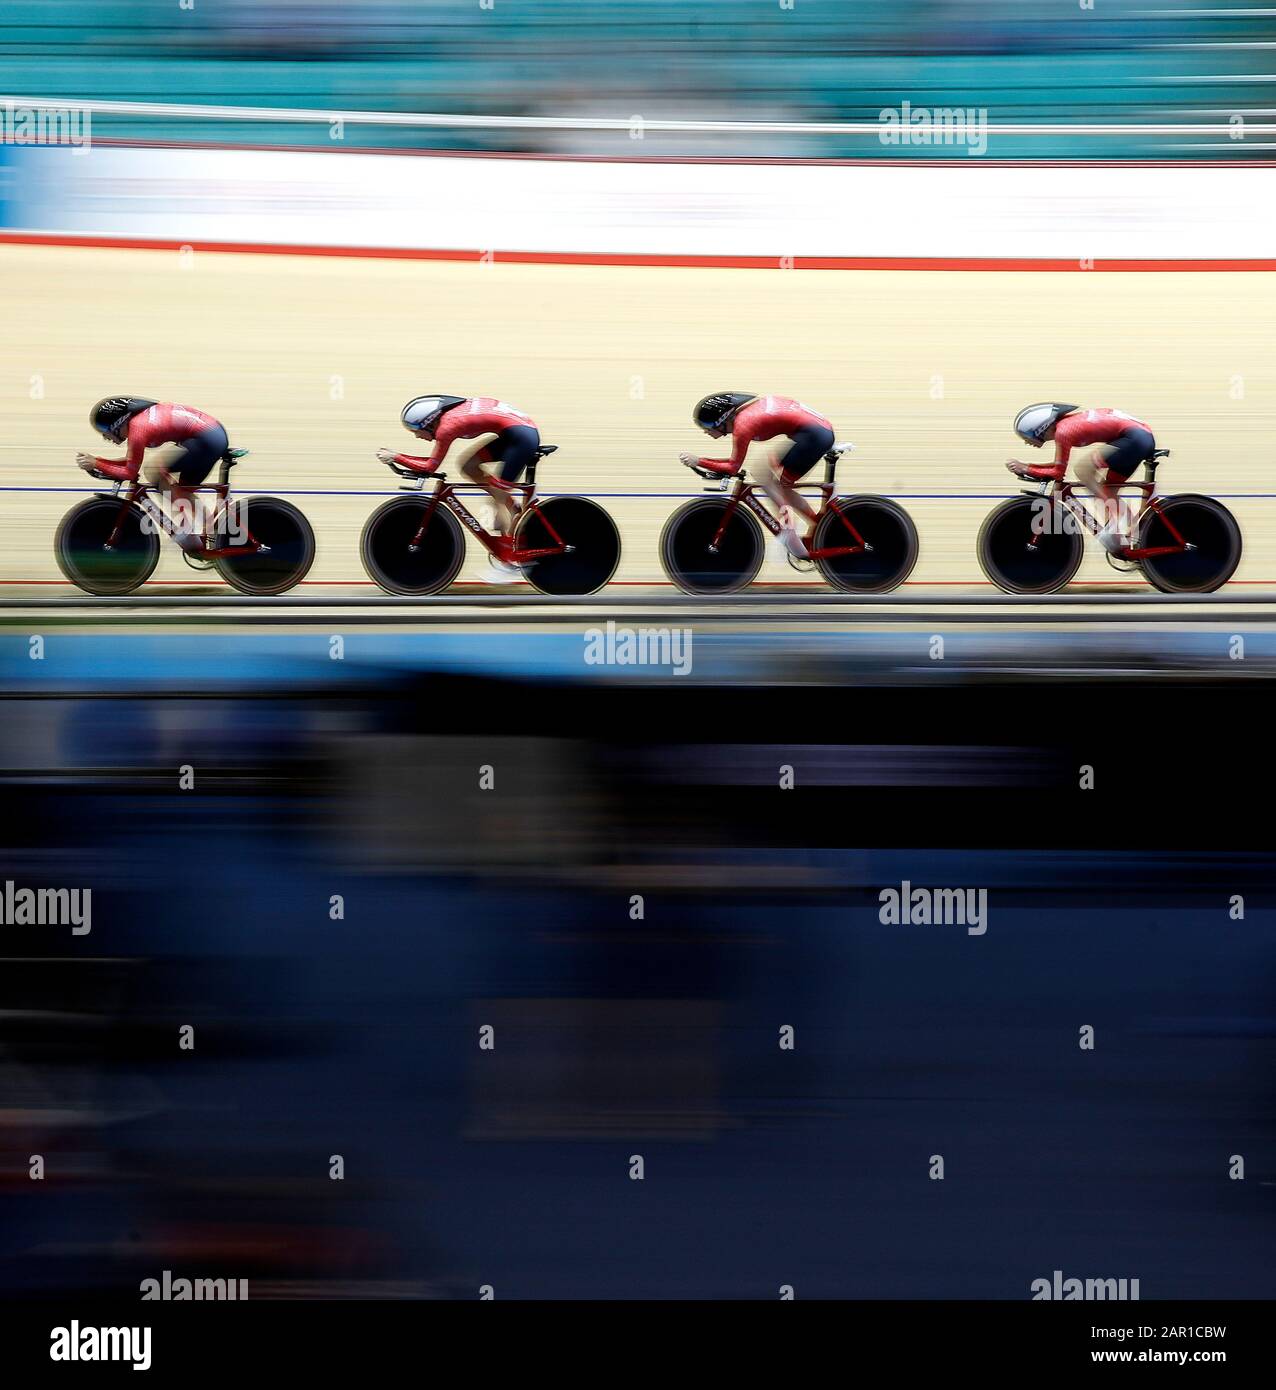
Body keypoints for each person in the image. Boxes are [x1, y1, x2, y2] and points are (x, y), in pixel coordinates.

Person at [377, 395, 540, 581]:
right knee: (469, 467)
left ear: (429, 421)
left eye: (416, 429)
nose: (416, 435)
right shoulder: (451, 416)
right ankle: (512, 507)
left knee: (496, 499)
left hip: (521, 438)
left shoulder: (447, 426)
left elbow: (430, 466)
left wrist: (395, 456)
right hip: (516, 432)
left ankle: (508, 562)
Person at [680, 393, 837, 560]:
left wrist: (698, 461)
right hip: (814, 431)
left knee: (775, 484)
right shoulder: (747, 414)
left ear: (723, 418)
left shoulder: (743, 424)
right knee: (764, 473)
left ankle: (789, 529)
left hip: (814, 436)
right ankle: (816, 523)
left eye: (707, 425)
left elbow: (733, 467)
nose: (705, 431)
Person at [79, 398, 230, 554]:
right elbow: (132, 462)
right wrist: (98, 461)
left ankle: (194, 533)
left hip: (206, 438)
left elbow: (130, 472)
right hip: (209, 435)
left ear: (118, 421)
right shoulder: (139, 422)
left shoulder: (138, 427)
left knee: (155, 472)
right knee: (179, 488)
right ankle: (208, 529)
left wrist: (96, 463)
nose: (105, 436)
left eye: (104, 428)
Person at [1007, 403, 1156, 554]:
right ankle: (1130, 531)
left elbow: (1058, 472)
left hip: (1135, 438)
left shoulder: (1063, 431)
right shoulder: (1065, 426)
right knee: (1108, 489)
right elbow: (1057, 468)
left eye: (1026, 436)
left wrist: (1026, 468)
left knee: (1083, 470)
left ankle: (1121, 522)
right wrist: (1029, 467)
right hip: (1138, 437)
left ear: (1038, 427)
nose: (1026, 441)